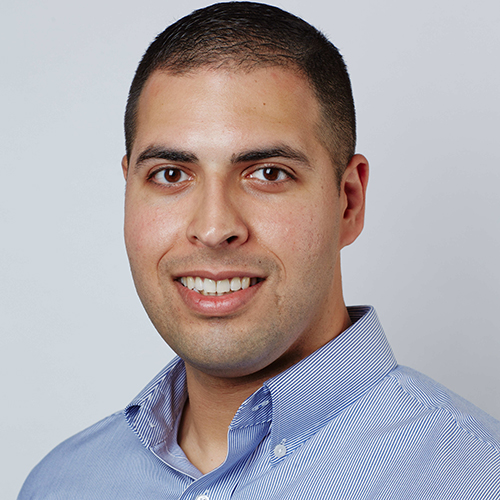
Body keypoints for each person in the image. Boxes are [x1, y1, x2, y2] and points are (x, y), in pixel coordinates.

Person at [18, 2, 500, 498]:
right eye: (170, 174)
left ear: (348, 203)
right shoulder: (61, 484)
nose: (213, 228)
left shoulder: (478, 477)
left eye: (268, 173)